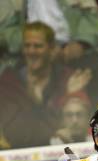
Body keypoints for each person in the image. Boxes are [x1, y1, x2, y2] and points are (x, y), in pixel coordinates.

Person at [0, 21, 90, 149]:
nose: (31, 51)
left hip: (63, 155)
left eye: (38, 46)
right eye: (27, 46)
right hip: (22, 159)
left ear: (52, 49)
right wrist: (64, 99)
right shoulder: (9, 82)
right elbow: (16, 134)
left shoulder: (67, 78)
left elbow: (77, 127)